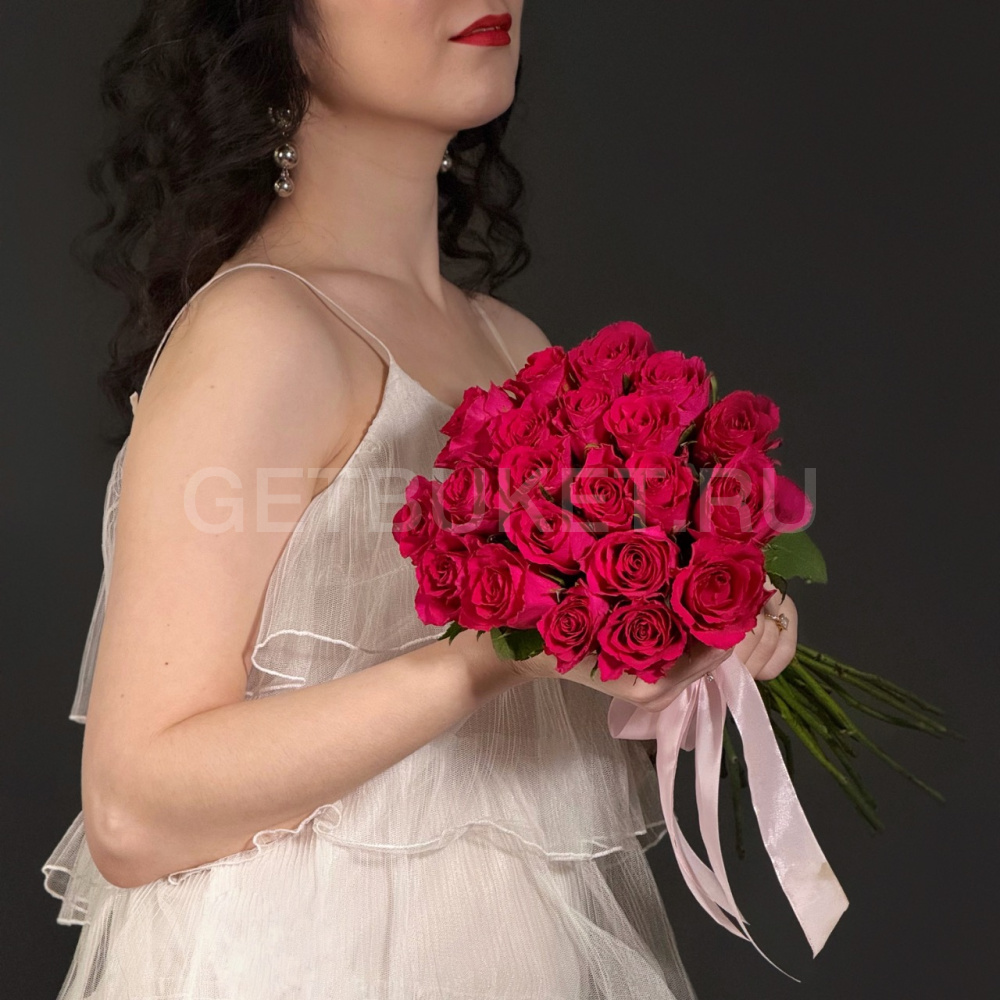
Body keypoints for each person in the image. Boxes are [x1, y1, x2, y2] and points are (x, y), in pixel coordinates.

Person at [42, 2, 798, 997]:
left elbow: (537, 748)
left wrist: (691, 633)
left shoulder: (512, 345)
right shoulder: (265, 330)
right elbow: (134, 814)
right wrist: (495, 654)